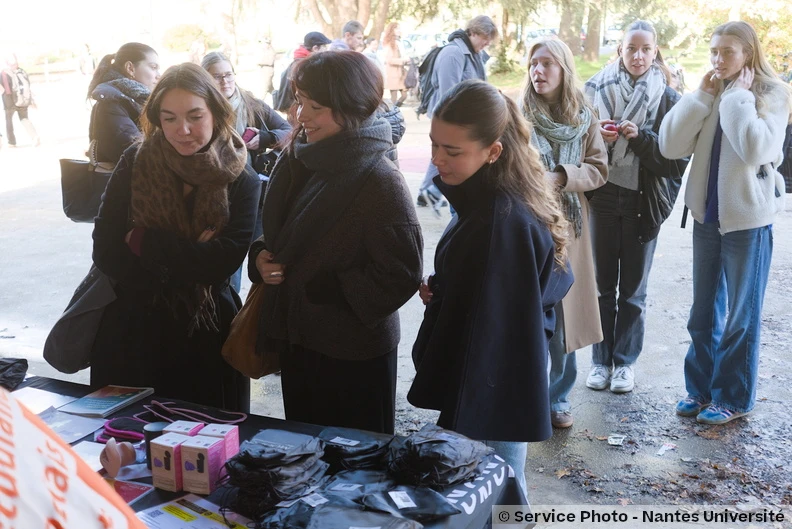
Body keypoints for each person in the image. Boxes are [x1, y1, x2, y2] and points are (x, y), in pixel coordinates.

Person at [408, 79, 574, 497]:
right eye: (435, 145)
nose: (437, 159)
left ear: (493, 151)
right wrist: (447, 294)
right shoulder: (490, 198)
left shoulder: (502, 219)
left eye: (452, 150)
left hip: (490, 395)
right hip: (491, 387)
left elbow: (499, 330)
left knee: (494, 503)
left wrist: (466, 415)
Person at [249, 51, 423, 435]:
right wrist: (260, 255)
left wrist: (335, 289)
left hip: (353, 353)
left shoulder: (379, 179)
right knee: (305, 453)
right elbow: (279, 229)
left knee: (357, 467)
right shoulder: (299, 155)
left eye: (315, 106)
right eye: (299, 102)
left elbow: (402, 272)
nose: (300, 115)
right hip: (299, 340)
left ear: (351, 108)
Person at [90, 63, 260, 412]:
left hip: (208, 333)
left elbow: (221, 262)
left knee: (206, 450)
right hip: (133, 329)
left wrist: (144, 241)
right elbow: (106, 249)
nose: (182, 130)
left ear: (216, 111)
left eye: (195, 116)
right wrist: (190, 255)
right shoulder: (135, 160)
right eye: (169, 118)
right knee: (127, 448)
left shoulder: (243, 177)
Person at [659, 21, 792, 425]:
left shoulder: (773, 93)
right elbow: (669, 145)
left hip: (748, 224)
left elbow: (755, 148)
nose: (718, 59)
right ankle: (700, 391)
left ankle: (733, 398)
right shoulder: (713, 90)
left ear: (748, 54)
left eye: (728, 52)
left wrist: (737, 98)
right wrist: (701, 95)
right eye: (714, 50)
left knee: (740, 316)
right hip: (707, 218)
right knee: (703, 313)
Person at [583, 20, 689, 394]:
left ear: (656, 51)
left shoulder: (669, 99)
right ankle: (600, 361)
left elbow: (674, 163)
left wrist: (641, 138)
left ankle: (624, 363)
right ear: (620, 51)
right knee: (601, 288)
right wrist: (601, 137)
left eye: (646, 49)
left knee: (633, 291)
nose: (639, 56)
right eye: (632, 48)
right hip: (604, 197)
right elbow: (579, 147)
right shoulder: (595, 90)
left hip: (644, 201)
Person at [521, 39, 608, 428]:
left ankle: (558, 398)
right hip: (525, 223)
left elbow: (598, 169)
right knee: (527, 313)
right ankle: (524, 393)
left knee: (565, 317)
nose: (538, 71)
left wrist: (561, 176)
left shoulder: (585, 116)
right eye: (533, 63)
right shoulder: (516, 113)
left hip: (570, 226)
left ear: (564, 69)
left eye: (547, 64)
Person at [202, 52, 291, 293]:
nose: (225, 81)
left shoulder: (250, 104)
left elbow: (287, 129)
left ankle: (249, 319)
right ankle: (229, 315)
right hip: (218, 199)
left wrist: (265, 138)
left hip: (256, 195)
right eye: (217, 76)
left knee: (259, 260)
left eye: (228, 74)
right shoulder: (199, 108)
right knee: (228, 268)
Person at [417, 16, 498, 211]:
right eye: (485, 37)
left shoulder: (473, 53)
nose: (487, 43)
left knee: (443, 153)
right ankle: (431, 193)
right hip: (451, 117)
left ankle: (428, 193)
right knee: (447, 153)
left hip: (462, 117)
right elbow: (449, 93)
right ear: (473, 32)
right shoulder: (453, 53)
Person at [87, 43, 160, 166]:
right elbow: (136, 153)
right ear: (130, 68)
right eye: (153, 67)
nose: (159, 75)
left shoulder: (137, 99)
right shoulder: (110, 104)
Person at [273, 31, 331, 114]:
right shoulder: (307, 66)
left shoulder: (299, 62)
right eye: (325, 47)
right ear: (315, 48)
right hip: (297, 112)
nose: (327, 50)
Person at [2, 54, 40, 147]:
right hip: (22, 100)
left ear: (6, 62)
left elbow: (4, 89)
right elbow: (27, 86)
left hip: (9, 101)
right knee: (24, 119)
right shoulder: (22, 71)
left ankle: (12, 142)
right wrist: (31, 101)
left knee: (9, 121)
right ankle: (34, 136)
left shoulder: (4, 72)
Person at [382, 22, 410, 107]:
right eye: (396, 28)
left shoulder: (399, 42)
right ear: (391, 30)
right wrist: (403, 60)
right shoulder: (389, 43)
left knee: (404, 96)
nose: (399, 30)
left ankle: (394, 110)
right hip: (393, 74)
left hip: (401, 74)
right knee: (393, 98)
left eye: (399, 28)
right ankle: (392, 113)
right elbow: (389, 60)